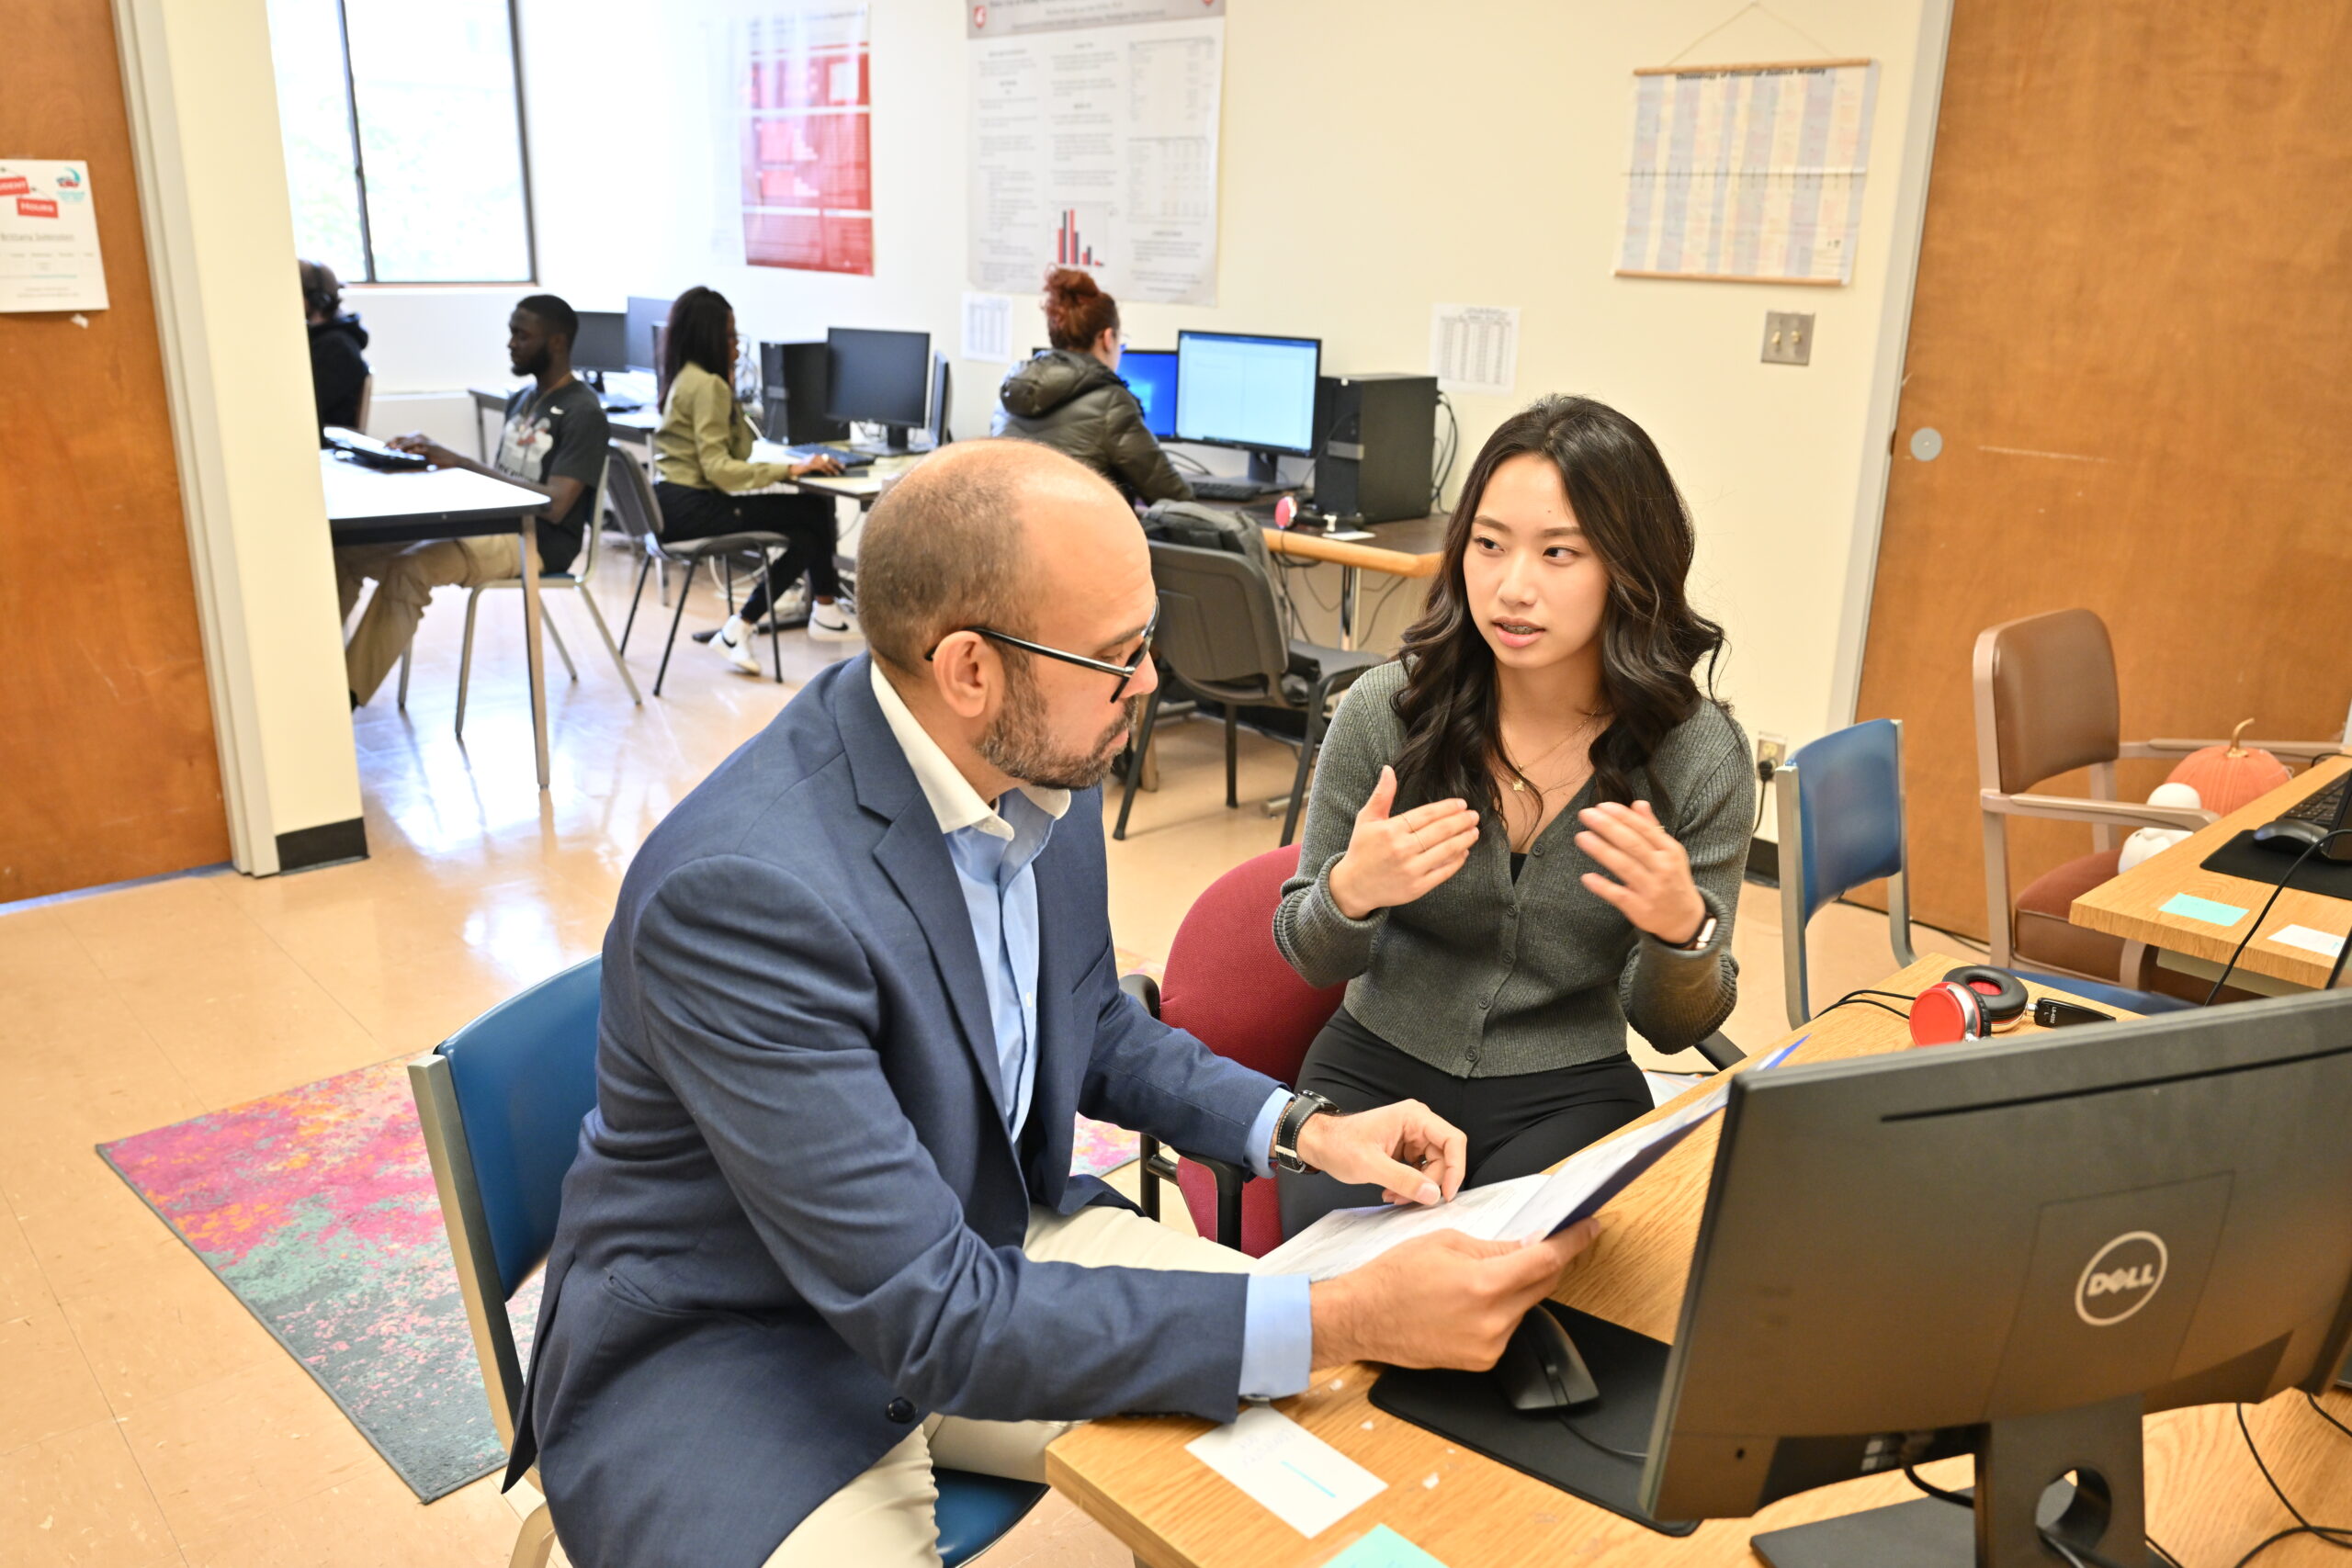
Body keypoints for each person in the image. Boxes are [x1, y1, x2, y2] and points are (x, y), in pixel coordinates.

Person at [505, 438, 1600, 1568]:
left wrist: (1306, 1127)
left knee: (1365, 1418)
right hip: (744, 1349)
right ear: (971, 669)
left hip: (975, 1250)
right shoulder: (744, 898)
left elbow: (1094, 1022)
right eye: (1118, 654)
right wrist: (1343, 1316)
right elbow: (933, 1318)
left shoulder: (1038, 760)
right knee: (1330, 1330)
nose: (1151, 684)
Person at [1273, 395, 1750, 1235]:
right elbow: (1310, 955)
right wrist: (1350, 892)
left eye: (1559, 552)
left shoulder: (1696, 753)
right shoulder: (1385, 713)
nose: (1513, 586)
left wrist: (1683, 935)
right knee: (1357, 1302)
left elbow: (1672, 1029)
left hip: (1569, 1089)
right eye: (1488, 546)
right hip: (1373, 1074)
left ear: (1628, 569)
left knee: (1543, 1312)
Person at [337, 294, 608, 707]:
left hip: (538, 541)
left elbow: (554, 505)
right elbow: (502, 482)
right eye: (511, 333)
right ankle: (315, 669)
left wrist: (461, 462)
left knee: (410, 569)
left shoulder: (582, 411)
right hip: (493, 527)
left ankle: (344, 698)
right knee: (347, 553)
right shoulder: (522, 399)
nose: (511, 343)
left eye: (522, 335)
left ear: (556, 342)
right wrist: (422, 462)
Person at [652, 285, 854, 667]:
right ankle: (819, 613)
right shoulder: (707, 386)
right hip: (691, 507)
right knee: (812, 512)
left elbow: (740, 450)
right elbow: (722, 471)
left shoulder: (688, 376)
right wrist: (792, 468)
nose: (737, 346)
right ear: (709, 337)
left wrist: (731, 393)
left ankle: (747, 628)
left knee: (806, 527)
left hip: (671, 503)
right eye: (730, 336)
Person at [993, 268, 1192, 505]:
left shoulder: (1012, 388)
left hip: (1016, 538)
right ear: (1108, 338)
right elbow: (1175, 499)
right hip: (1083, 540)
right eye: (1121, 341)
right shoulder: (1111, 403)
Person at [300, 259, 368, 434]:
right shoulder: (319, 338)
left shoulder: (336, 346)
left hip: (325, 440)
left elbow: (306, 407)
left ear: (317, 298)